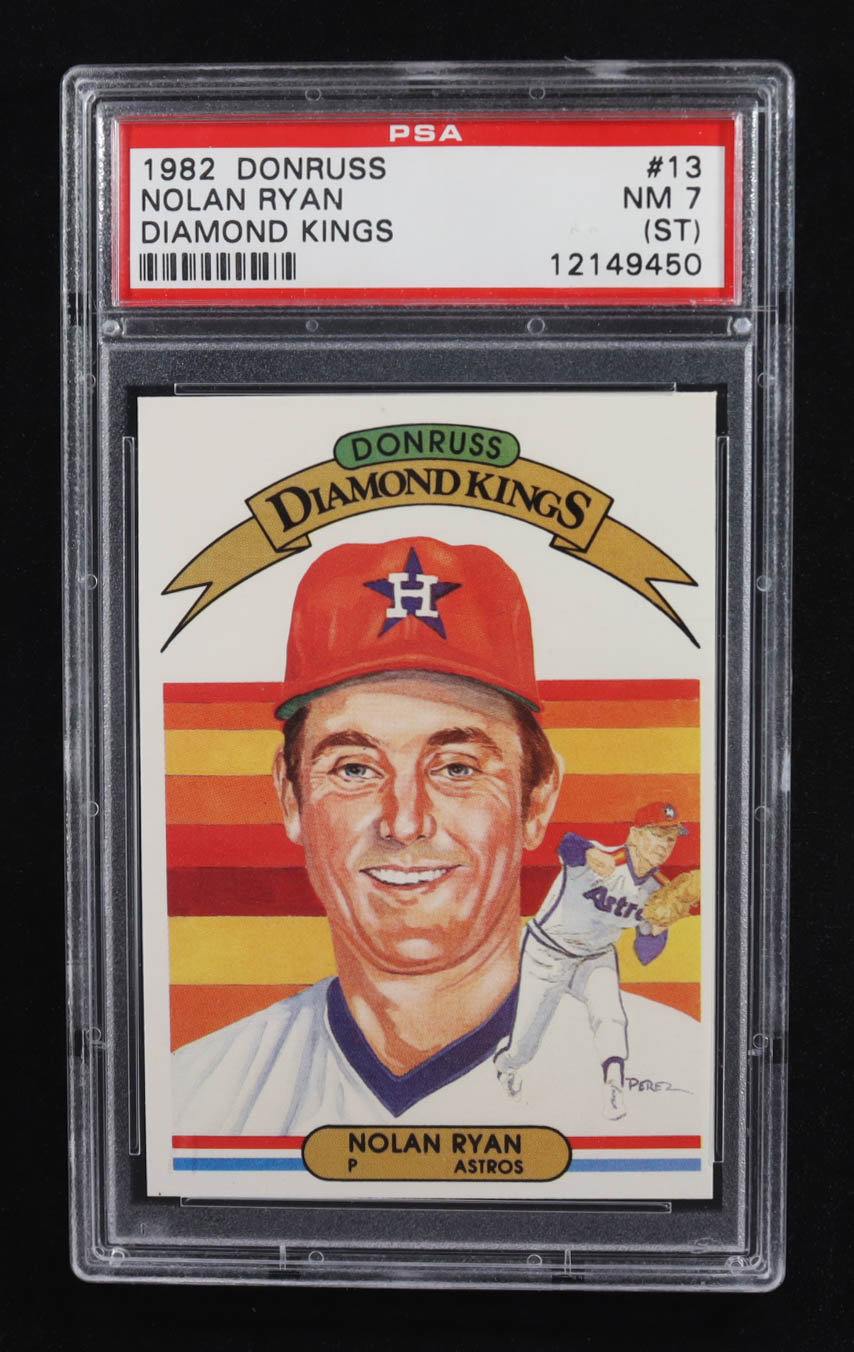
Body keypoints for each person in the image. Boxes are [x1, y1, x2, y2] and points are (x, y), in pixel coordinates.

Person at [172, 537, 564, 1133]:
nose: (405, 823)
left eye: (458, 768)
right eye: (354, 769)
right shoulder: (194, 1100)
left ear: (536, 799)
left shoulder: (675, 1079)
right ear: (291, 796)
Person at [493, 803, 691, 1121]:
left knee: (610, 1015)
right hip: (548, 952)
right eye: (657, 834)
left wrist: (658, 931)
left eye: (671, 838)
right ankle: (507, 1066)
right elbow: (566, 844)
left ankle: (614, 1085)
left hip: (595, 958)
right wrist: (588, 852)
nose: (664, 845)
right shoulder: (602, 857)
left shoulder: (659, 891)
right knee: (524, 1045)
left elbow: (645, 954)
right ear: (634, 835)